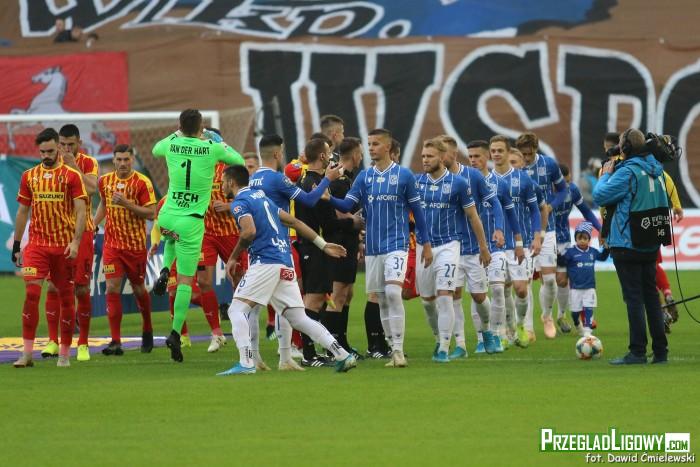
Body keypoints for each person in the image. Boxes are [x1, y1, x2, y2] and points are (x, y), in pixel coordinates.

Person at [217, 165, 357, 375]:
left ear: (231, 182)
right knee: (299, 318)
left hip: (265, 261)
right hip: (284, 260)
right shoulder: (263, 199)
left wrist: (233, 257)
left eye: (222, 181)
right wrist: (323, 245)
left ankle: (246, 363)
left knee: (236, 310)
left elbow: (248, 232)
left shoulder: (240, 202)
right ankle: (342, 355)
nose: (221, 186)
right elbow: (294, 222)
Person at [330, 128, 432, 368]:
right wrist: (328, 196)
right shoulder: (364, 177)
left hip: (397, 244)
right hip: (373, 248)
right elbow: (347, 205)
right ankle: (391, 346)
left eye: (375, 144)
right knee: (382, 299)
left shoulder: (404, 176)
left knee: (394, 293)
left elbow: (418, 212)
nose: (371, 148)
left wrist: (426, 244)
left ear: (387, 147)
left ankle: (398, 351)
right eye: (369, 144)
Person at [151, 109, 244, 362]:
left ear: (180, 125)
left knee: (171, 238)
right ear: (202, 127)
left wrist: (177, 133)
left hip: (167, 215)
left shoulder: (172, 144)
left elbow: (155, 149)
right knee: (184, 281)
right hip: (191, 222)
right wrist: (217, 140)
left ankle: (164, 268)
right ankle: (175, 333)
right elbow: (238, 160)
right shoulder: (211, 148)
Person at [250, 134, 342, 366]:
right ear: (277, 153)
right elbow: (309, 200)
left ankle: (267, 357)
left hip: (257, 248)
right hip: (279, 248)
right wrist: (327, 179)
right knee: (291, 307)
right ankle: (287, 356)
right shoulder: (277, 179)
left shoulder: (253, 179)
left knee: (254, 306)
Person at [593, 128, 670, 365]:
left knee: (634, 298)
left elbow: (600, 195)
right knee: (651, 297)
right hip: (650, 242)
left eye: (620, 143)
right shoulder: (657, 169)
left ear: (626, 148)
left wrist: (606, 174)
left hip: (627, 243)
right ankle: (660, 351)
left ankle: (637, 351)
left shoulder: (627, 172)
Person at [12, 128, 87, 368]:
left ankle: (64, 354)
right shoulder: (29, 176)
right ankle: (27, 355)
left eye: (50, 151)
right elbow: (23, 211)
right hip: (37, 246)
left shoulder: (71, 176)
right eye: (42, 151)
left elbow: (81, 210)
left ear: (59, 148)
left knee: (66, 298)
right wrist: (17, 244)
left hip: (63, 246)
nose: (46, 155)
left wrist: (76, 242)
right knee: (32, 294)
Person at [415, 138, 485, 362]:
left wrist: (483, 247)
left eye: (430, 156)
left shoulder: (458, 184)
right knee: (427, 302)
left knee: (445, 295)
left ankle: (445, 348)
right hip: (423, 246)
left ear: (442, 157)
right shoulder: (416, 182)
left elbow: (473, 216)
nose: (425, 160)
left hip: (449, 245)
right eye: (423, 156)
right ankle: (439, 338)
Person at [295, 138, 363, 365]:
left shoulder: (308, 180)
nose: (332, 157)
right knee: (313, 301)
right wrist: (353, 223)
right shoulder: (315, 183)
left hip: (313, 246)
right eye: (329, 152)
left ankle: (315, 351)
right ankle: (308, 354)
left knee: (318, 301)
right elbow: (328, 222)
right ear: (322, 156)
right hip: (314, 246)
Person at [41, 124, 98, 361]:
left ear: (79, 143)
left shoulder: (88, 163)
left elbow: (93, 189)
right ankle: (52, 342)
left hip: (82, 233)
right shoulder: (49, 164)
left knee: (81, 288)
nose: (65, 149)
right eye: (62, 145)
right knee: (54, 287)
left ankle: (83, 343)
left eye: (70, 145)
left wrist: (73, 167)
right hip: (56, 234)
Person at [93, 144, 157, 355]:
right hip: (112, 246)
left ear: (132, 160)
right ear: (113, 160)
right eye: (119, 159)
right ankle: (115, 341)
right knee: (112, 288)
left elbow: (151, 213)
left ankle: (147, 328)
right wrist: (94, 223)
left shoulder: (142, 182)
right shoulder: (105, 181)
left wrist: (127, 204)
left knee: (138, 288)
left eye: (126, 159)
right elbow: (104, 203)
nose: (122, 163)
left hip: (135, 246)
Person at [439, 135, 500, 354]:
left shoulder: (473, 176)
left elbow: (494, 202)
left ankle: (487, 332)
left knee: (479, 296)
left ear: (453, 154)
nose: (439, 157)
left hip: (474, 247)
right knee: (453, 295)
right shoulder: (435, 180)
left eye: (442, 153)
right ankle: (460, 345)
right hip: (449, 248)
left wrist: (498, 230)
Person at [468, 138, 525, 352]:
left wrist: (518, 242)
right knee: (478, 294)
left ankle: (498, 334)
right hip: (472, 247)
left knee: (498, 290)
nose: (473, 160)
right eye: (470, 157)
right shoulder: (464, 182)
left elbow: (511, 214)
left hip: (497, 245)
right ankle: (481, 338)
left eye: (477, 156)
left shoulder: (500, 184)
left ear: (487, 157)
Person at [195, 128, 245, 353]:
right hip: (205, 233)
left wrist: (228, 206)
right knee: (203, 281)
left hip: (231, 232)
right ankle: (216, 333)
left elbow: (246, 197)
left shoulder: (230, 169)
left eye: (204, 141)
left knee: (240, 278)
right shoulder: (196, 167)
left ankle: (243, 326)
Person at [516, 132, 568, 339]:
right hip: (523, 230)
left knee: (549, 280)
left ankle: (547, 316)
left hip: (547, 228)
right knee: (525, 280)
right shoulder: (515, 168)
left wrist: (551, 206)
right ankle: (528, 328)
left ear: (536, 150)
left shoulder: (549, 164)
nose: (526, 158)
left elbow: (562, 190)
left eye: (529, 154)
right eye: (523, 154)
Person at [325, 137, 365, 358]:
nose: (362, 157)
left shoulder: (347, 179)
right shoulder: (339, 180)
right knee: (337, 295)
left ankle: (342, 342)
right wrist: (354, 220)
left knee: (347, 294)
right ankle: (332, 348)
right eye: (361, 153)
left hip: (348, 241)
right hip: (338, 242)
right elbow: (337, 213)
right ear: (355, 154)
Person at [553, 164, 601, 334]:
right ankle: (544, 319)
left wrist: (600, 230)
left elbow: (586, 212)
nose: (566, 185)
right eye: (563, 182)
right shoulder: (543, 190)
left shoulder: (572, 190)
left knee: (562, 280)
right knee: (548, 281)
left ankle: (561, 315)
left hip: (563, 238)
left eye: (568, 181)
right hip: (544, 238)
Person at [507, 147, 547, 343]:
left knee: (524, 286)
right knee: (503, 287)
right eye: (509, 162)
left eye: (514, 162)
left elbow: (542, 209)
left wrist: (539, 235)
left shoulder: (530, 184)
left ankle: (527, 327)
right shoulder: (494, 182)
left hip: (524, 242)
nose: (511, 166)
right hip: (501, 244)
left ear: (522, 164)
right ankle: (507, 328)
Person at [557, 222, 609, 337]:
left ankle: (587, 333)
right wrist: (557, 254)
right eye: (579, 238)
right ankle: (576, 322)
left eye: (585, 238)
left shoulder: (593, 252)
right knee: (575, 312)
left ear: (589, 239)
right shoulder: (571, 252)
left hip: (590, 287)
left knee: (588, 308)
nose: (582, 241)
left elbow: (603, 257)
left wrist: (607, 246)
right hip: (575, 288)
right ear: (575, 238)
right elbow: (562, 262)